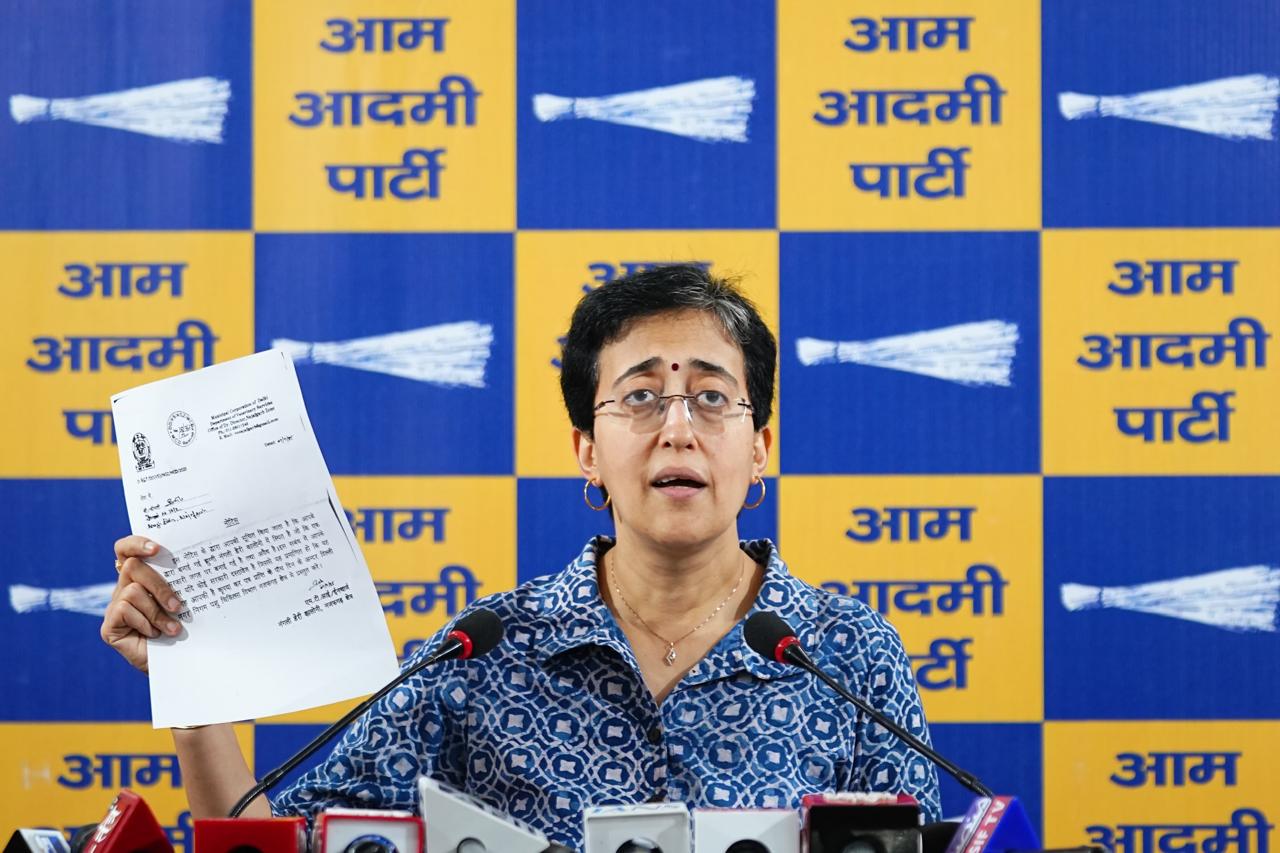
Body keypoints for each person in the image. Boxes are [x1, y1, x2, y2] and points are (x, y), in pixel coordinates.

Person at [103, 264, 941, 851]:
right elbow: (276, 848)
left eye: (713, 397)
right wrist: (195, 688)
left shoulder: (848, 654)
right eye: (641, 396)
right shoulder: (484, 650)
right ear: (587, 450)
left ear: (759, 448)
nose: (678, 427)